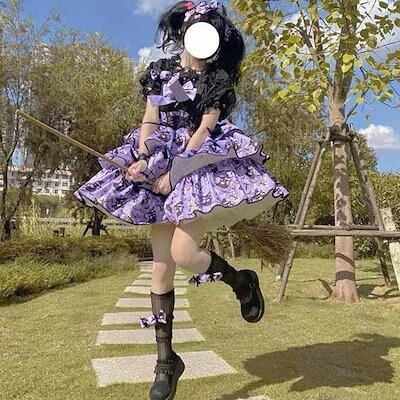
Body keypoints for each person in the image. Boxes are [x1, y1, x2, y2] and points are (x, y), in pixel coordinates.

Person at [73, 1, 289, 399]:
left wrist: (175, 173)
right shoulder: (160, 71)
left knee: (184, 253)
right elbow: (149, 120)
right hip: (160, 159)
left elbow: (204, 132)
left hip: (197, 166)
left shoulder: (217, 81)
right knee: (161, 268)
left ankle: (241, 281)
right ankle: (166, 361)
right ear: (185, 32)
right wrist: (142, 159)